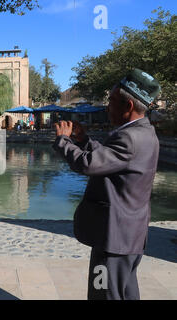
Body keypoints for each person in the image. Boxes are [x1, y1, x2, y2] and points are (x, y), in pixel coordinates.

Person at [52, 69, 161, 300]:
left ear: (128, 105)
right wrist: (83, 141)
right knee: (125, 291)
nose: (107, 107)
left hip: (114, 238)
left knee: (103, 293)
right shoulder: (144, 132)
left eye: (111, 101)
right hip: (129, 235)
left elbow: (88, 165)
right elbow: (112, 160)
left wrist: (63, 141)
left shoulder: (129, 138)